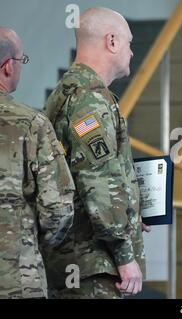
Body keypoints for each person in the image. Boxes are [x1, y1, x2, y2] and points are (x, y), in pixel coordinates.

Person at [43, 7, 146, 299]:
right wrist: (125, 256)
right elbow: (98, 181)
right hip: (92, 264)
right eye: (129, 43)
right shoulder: (89, 99)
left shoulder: (67, 92)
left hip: (74, 260)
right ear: (112, 41)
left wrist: (132, 209)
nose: (132, 53)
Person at [0, 27, 74, 299]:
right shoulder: (31, 123)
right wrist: (27, 241)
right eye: (22, 60)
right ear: (8, 67)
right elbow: (58, 209)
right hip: (17, 278)